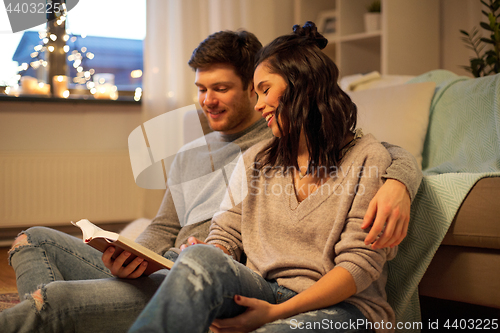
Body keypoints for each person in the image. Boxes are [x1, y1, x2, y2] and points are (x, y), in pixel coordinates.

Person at [1, 29, 420, 333]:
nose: (207, 100)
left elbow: (379, 157)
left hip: (300, 298)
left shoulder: (357, 154)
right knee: (35, 241)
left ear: (299, 87)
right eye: (201, 88)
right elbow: (198, 231)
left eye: (224, 88)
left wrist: (400, 178)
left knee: (59, 305)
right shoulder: (242, 157)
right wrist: (134, 258)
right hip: (197, 270)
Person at [129, 22, 400, 333]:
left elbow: (359, 266)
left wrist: (275, 313)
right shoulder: (257, 159)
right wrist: (213, 252)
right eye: (255, 93)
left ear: (303, 85)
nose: (258, 105)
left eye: (265, 90)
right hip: (263, 288)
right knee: (202, 256)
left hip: (345, 307)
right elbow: (225, 233)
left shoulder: (368, 158)